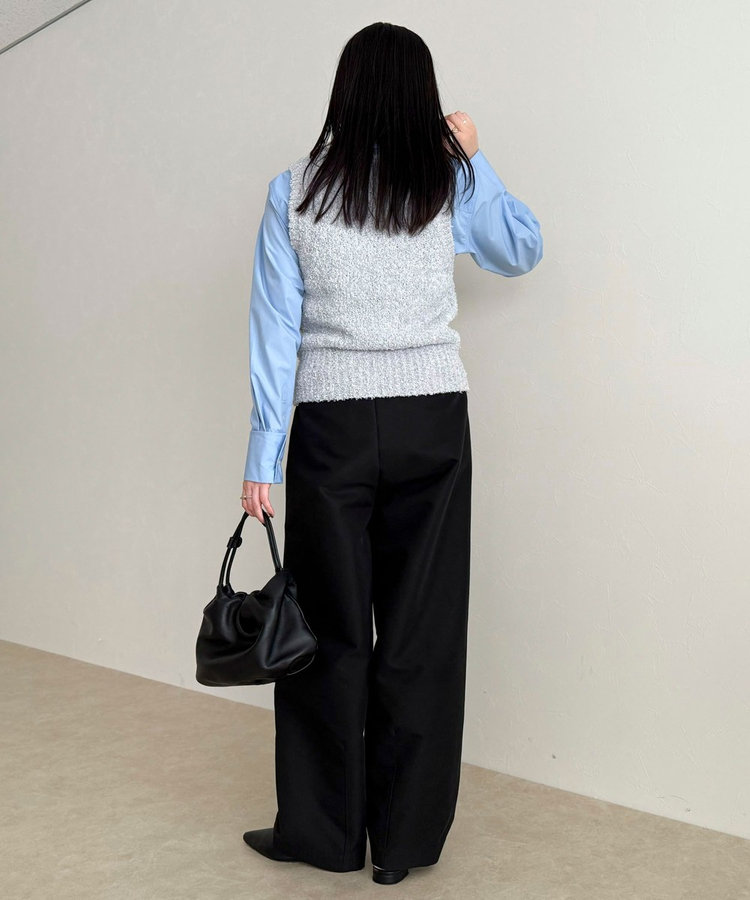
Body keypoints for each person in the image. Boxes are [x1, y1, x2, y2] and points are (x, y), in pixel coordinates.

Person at [239, 21, 543, 887]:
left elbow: (276, 332)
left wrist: (263, 455)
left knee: (328, 635)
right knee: (422, 636)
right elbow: (521, 248)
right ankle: (404, 846)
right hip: (432, 422)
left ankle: (323, 835)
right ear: (421, 95)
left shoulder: (294, 191)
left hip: (331, 428)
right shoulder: (444, 181)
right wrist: (473, 157)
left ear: (344, 90)